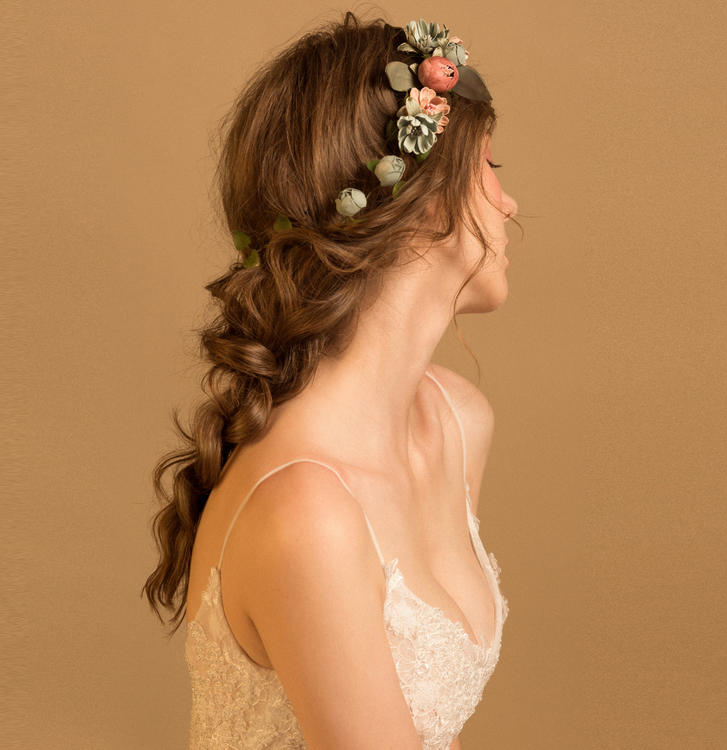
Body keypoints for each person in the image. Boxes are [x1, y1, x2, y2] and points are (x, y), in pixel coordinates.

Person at [143, 11, 520, 749]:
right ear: (425, 199)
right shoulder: (307, 514)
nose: (508, 202)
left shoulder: (455, 423)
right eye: (490, 167)